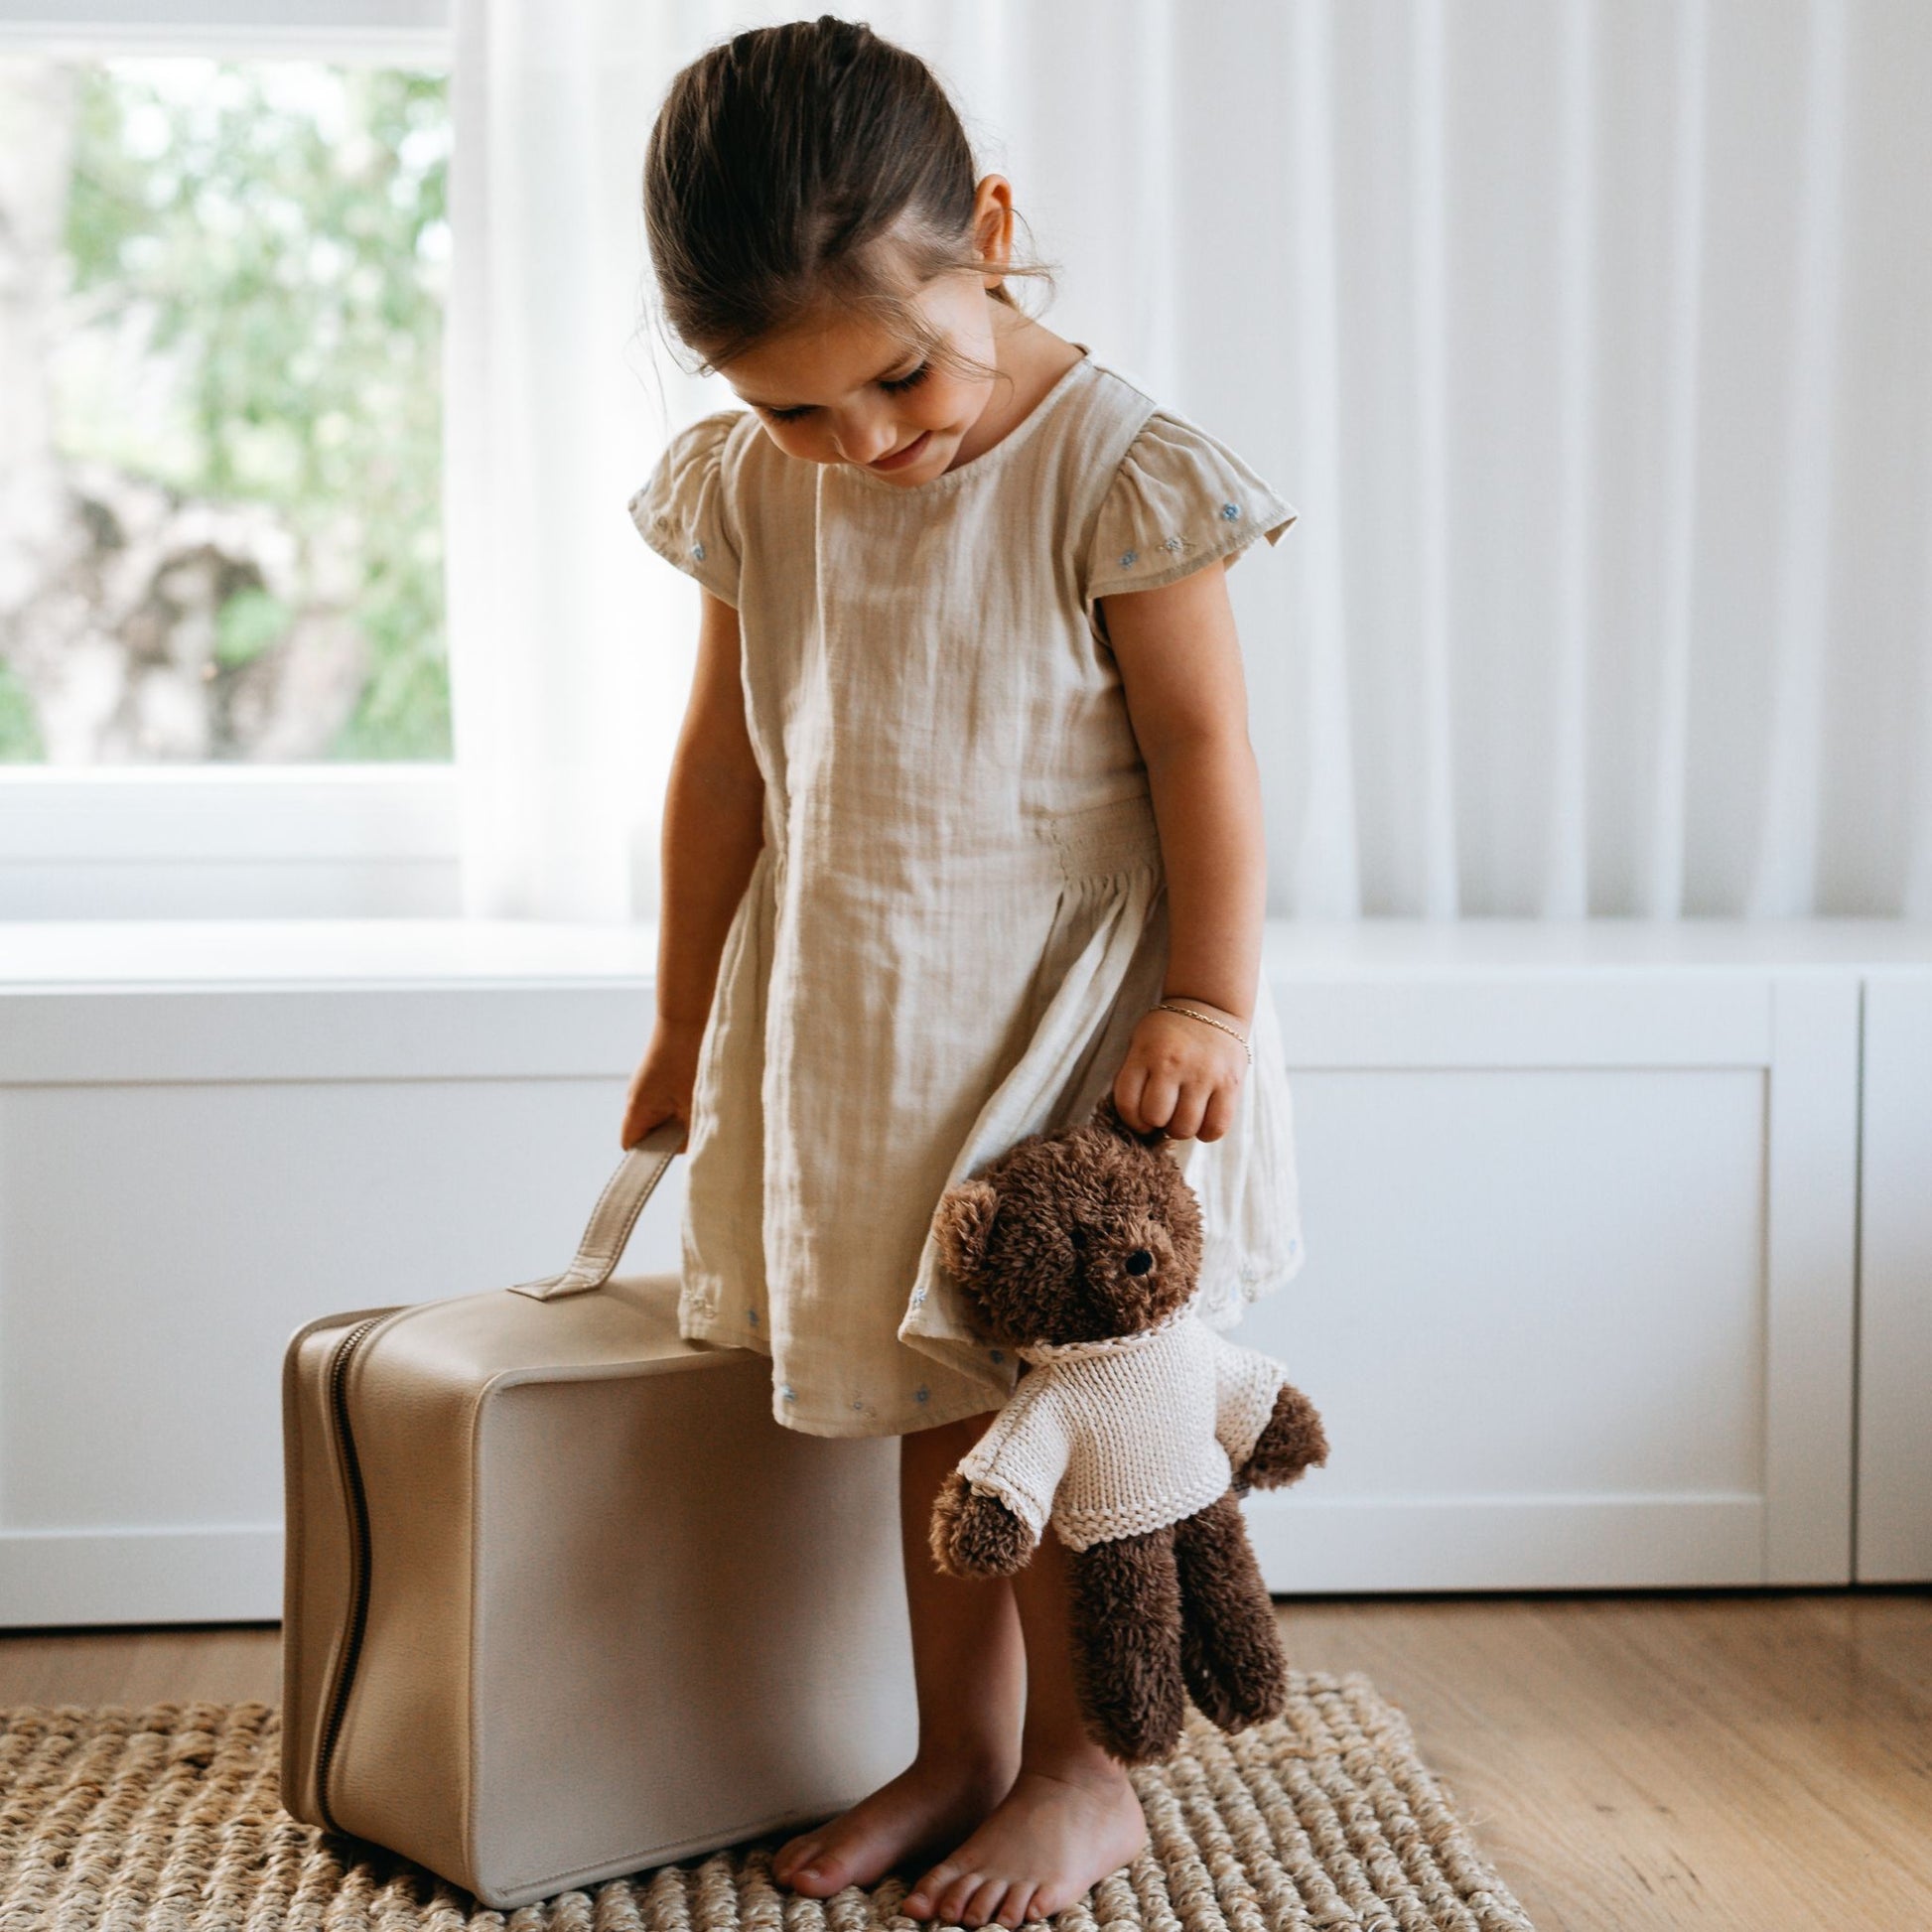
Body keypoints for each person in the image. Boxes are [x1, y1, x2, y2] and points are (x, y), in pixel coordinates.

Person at [619, 18, 1305, 1928]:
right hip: (864, 1010)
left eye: (901, 378)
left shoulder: (1114, 465)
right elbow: (722, 764)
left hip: (1080, 1013)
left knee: (1085, 1390)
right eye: (796, 413)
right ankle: (960, 1748)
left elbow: (1205, 758)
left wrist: (1207, 1001)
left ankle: (1093, 1768)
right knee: (929, 1400)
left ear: (989, 230)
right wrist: (682, 1016)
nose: (864, 448)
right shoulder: (755, 493)